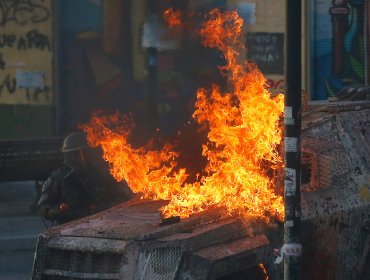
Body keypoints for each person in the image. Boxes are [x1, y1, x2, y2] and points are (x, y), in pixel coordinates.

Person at [37, 131, 134, 225]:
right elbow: (44, 207)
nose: (78, 157)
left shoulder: (102, 175)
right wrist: (58, 211)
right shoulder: (57, 179)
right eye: (74, 154)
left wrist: (103, 209)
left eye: (82, 153)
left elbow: (123, 199)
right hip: (69, 231)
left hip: (102, 226)